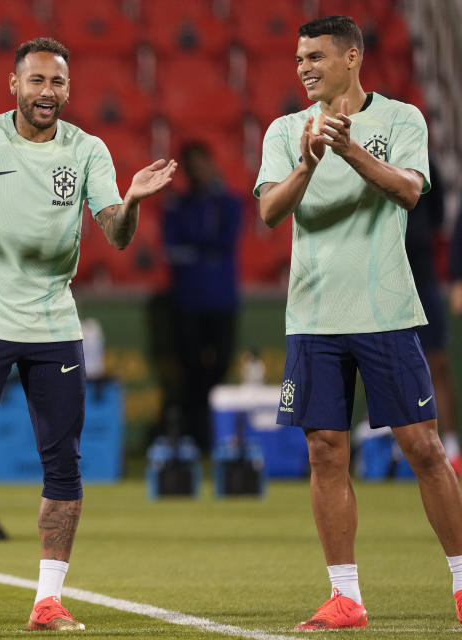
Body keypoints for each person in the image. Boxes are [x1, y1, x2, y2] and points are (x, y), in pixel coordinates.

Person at [0, 37, 176, 632]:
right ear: (13, 85)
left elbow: (117, 235)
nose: (47, 92)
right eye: (36, 81)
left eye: (57, 83)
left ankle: (48, 600)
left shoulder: (87, 151)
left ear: (68, 90)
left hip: (54, 324)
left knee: (64, 464)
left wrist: (130, 202)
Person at [255, 15, 462, 630]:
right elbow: (269, 211)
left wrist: (349, 149)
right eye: (299, 59)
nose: (305, 67)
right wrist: (309, 164)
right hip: (314, 314)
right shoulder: (287, 130)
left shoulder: (401, 119)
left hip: (385, 310)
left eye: (316, 55)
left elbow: (407, 190)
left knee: (423, 447)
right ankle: (345, 596)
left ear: (352, 57)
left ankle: (460, 582)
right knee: (325, 452)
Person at [161, 141, 241, 452]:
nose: (196, 171)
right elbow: (171, 249)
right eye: (189, 165)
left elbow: (224, 242)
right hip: (188, 302)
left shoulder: (228, 203)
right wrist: (203, 250)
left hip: (221, 300)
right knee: (190, 371)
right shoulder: (178, 205)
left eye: (199, 163)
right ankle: (196, 438)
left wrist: (195, 250)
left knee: (219, 367)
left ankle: (216, 435)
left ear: (210, 162)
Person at [405, 158, 462, 474]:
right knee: (372, 362)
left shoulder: (423, 157)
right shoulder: (359, 149)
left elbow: (438, 214)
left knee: (437, 361)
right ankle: (386, 443)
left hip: (422, 273)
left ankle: (451, 444)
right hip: (379, 274)